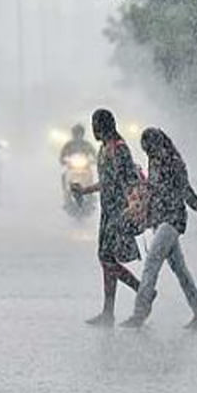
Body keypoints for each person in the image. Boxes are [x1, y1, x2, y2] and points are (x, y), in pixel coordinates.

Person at [120, 128, 197, 330]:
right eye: (146, 151)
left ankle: (139, 313)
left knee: (151, 263)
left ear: (158, 144)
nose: (149, 154)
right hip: (160, 218)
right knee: (180, 270)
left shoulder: (173, 162)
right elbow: (154, 189)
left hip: (173, 219)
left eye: (149, 149)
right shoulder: (154, 162)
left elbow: (186, 190)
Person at [70, 109, 142, 326]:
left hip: (119, 211)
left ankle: (143, 290)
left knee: (106, 258)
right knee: (108, 259)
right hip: (108, 210)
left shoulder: (118, 149)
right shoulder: (104, 149)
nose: (93, 129)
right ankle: (108, 311)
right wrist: (84, 191)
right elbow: (107, 182)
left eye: (95, 124)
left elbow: (127, 181)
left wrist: (131, 207)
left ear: (104, 126)